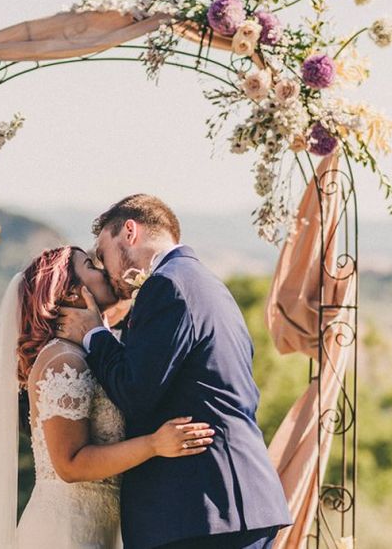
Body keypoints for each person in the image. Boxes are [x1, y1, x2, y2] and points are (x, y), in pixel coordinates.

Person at [57, 194, 292, 549]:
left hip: (200, 510)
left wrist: (93, 333)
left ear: (130, 232)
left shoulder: (166, 286)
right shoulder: (207, 283)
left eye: (103, 255)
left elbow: (135, 393)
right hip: (227, 505)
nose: (107, 271)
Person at [0, 245, 215, 548]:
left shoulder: (91, 354)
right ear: (71, 290)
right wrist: (155, 444)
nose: (103, 269)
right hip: (65, 532)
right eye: (91, 265)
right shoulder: (64, 360)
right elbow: (70, 463)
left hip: (100, 529)